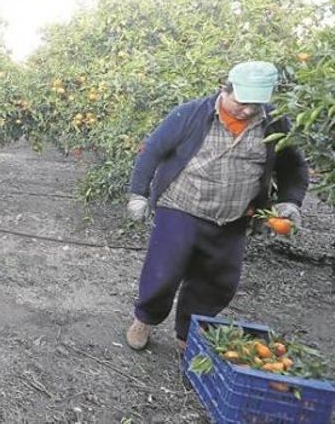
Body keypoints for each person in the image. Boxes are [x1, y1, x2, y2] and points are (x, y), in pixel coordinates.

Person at [124, 61, 308, 351]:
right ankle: (144, 319)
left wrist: (289, 202)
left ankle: (188, 334)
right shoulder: (192, 114)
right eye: (241, 102)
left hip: (233, 217)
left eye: (255, 105)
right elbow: (152, 152)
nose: (247, 110)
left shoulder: (274, 123)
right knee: (163, 271)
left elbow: (293, 167)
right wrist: (138, 194)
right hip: (181, 206)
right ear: (225, 89)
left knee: (217, 281)